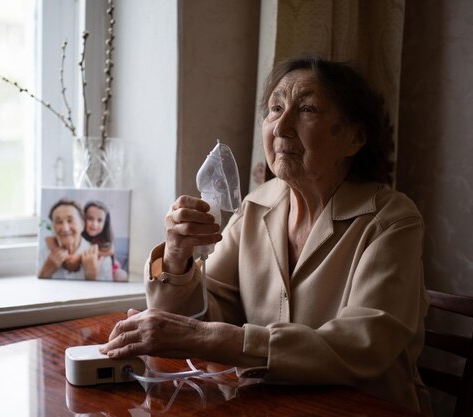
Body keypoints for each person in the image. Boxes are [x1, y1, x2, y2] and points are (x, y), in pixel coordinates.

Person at [100, 54, 432, 415]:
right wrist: (178, 256)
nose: (281, 127)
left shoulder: (391, 220)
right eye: (275, 109)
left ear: (355, 137)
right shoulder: (257, 205)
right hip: (266, 406)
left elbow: (362, 346)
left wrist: (208, 339)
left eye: (307, 109)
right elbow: (197, 316)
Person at [38, 198, 113, 281]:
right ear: (53, 227)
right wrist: (45, 272)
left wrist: (91, 275)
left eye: (70, 220)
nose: (65, 228)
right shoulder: (44, 253)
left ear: (82, 224)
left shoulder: (102, 260)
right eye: (58, 222)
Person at [82, 200, 129, 282]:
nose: (94, 224)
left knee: (122, 275)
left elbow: (111, 251)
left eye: (99, 220)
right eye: (90, 218)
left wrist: (88, 254)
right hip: (90, 269)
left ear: (105, 223)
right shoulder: (80, 237)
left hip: (111, 268)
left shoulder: (104, 238)